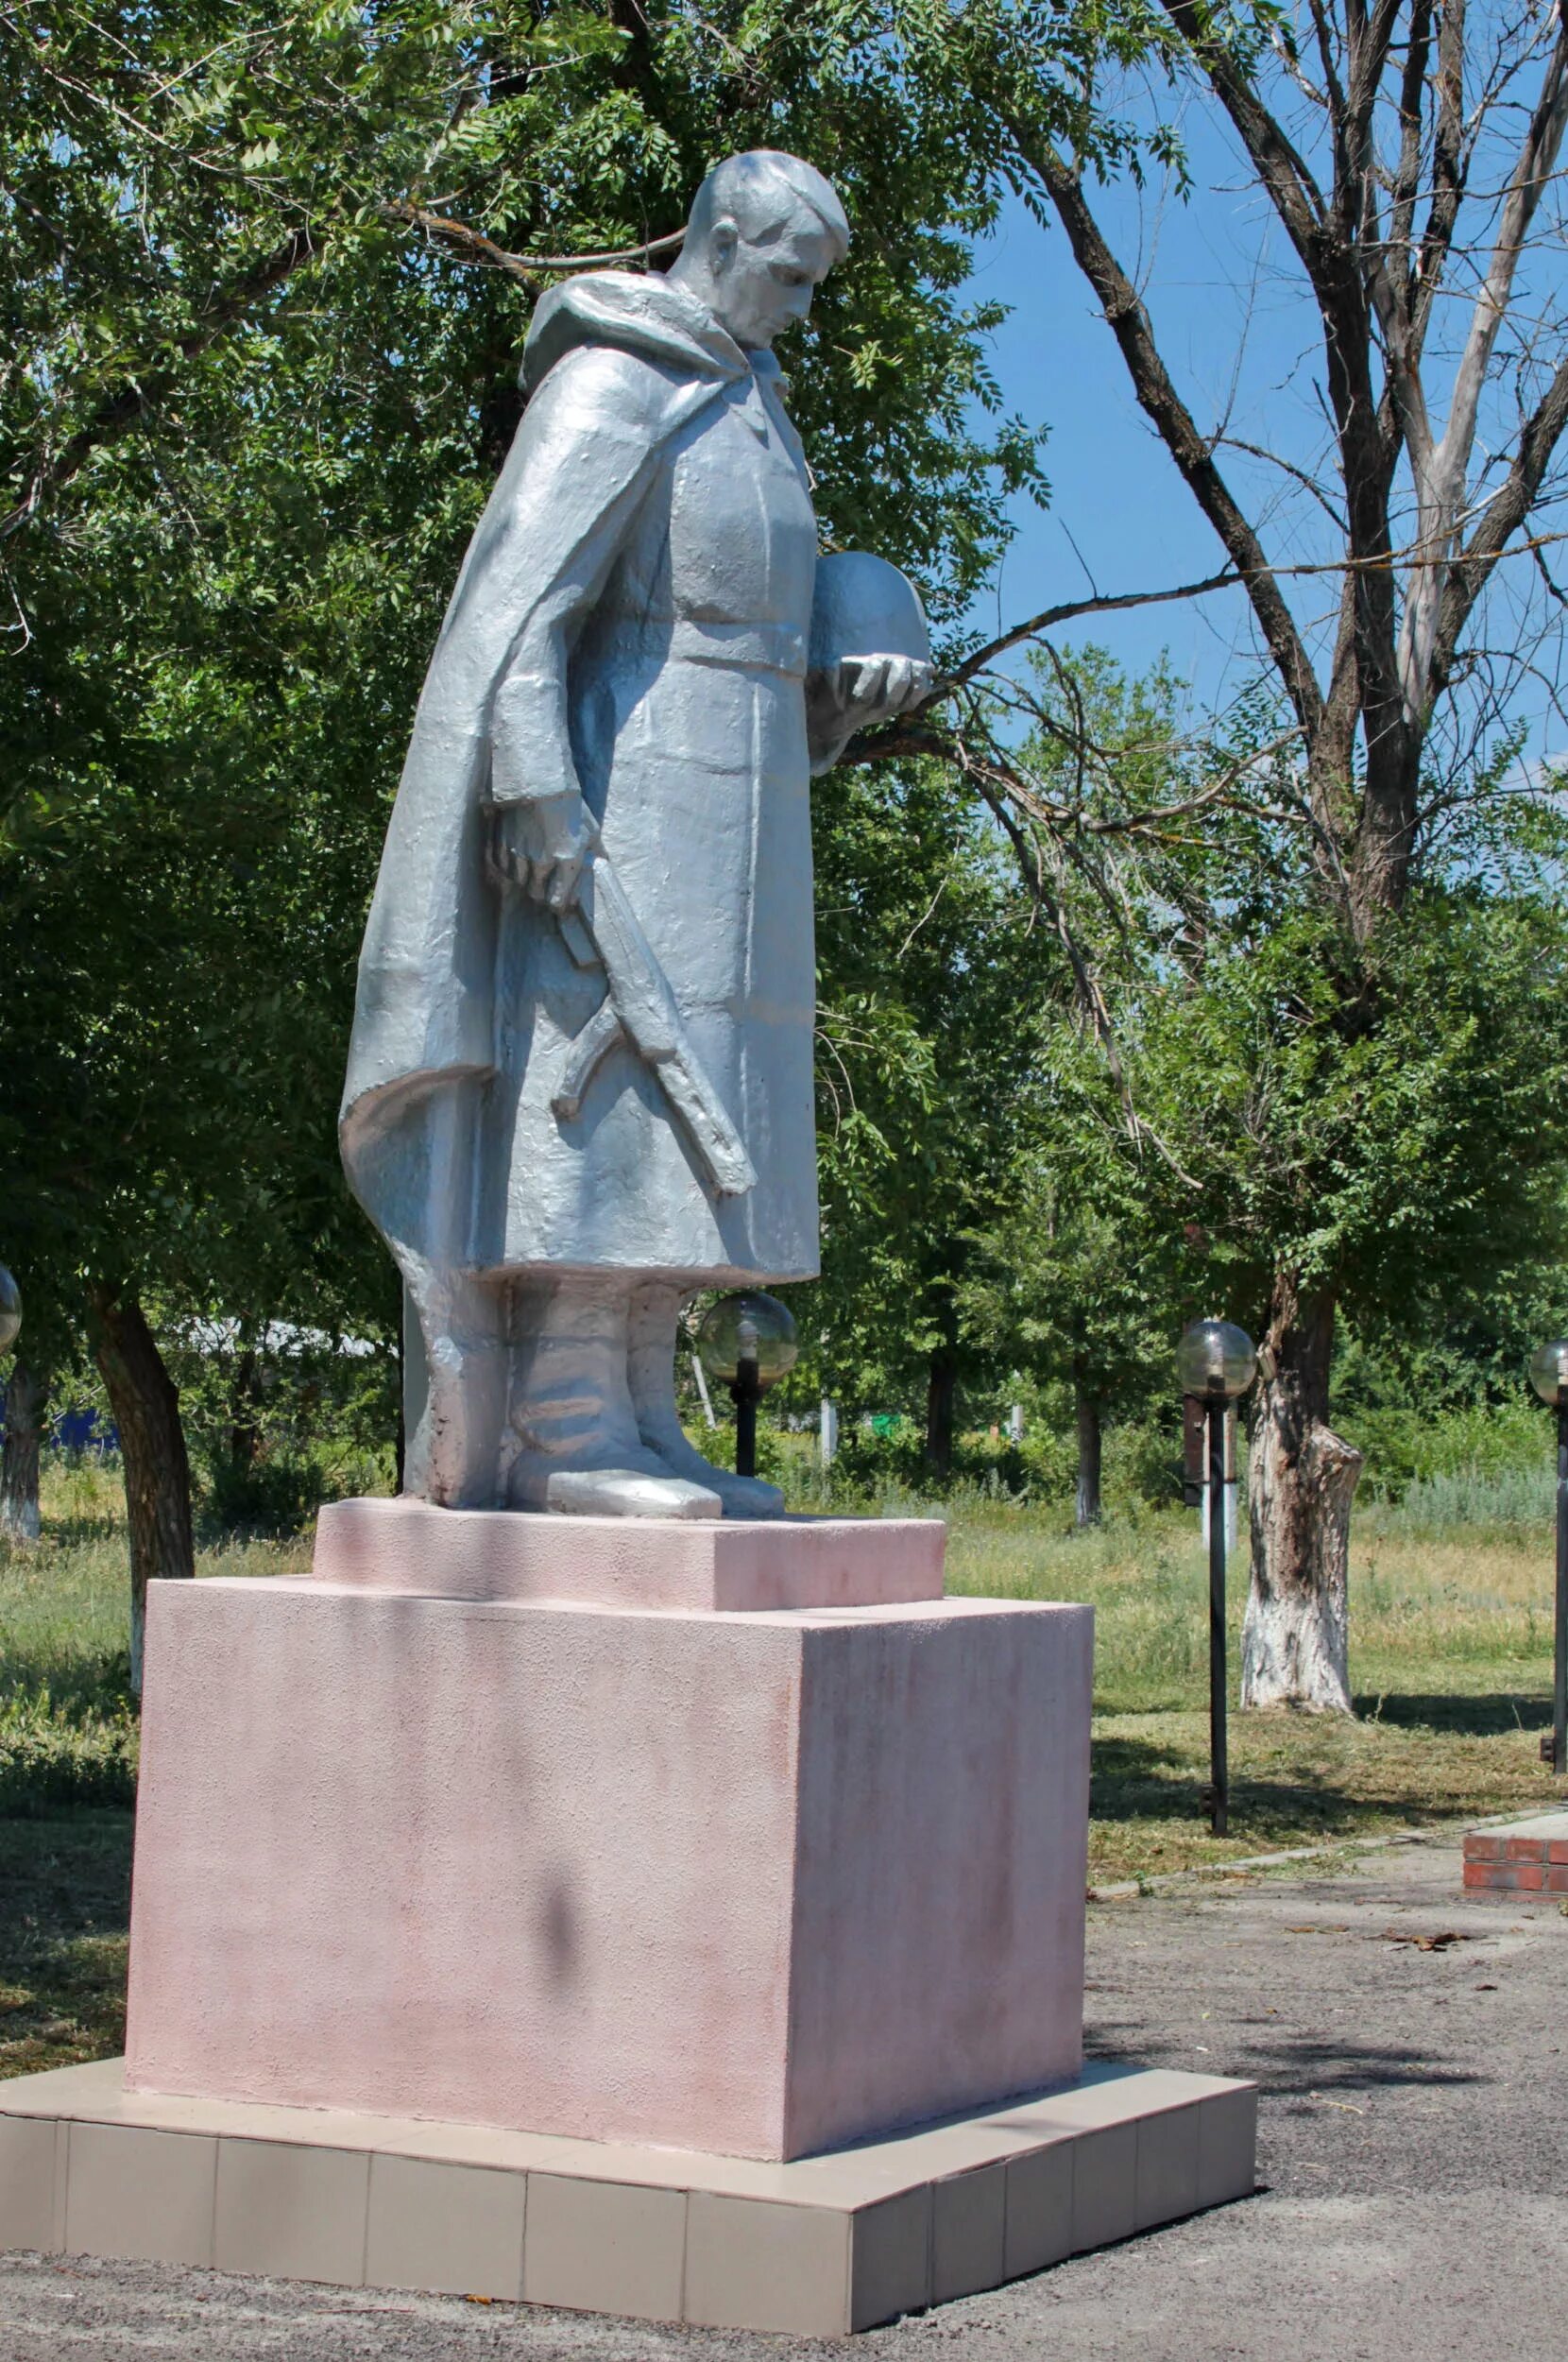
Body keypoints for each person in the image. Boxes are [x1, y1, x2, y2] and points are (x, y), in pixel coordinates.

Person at [341, 150, 930, 1516]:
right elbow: (526, 607)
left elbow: (762, 627)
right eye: (789, 276)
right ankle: (559, 1433)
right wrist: (535, 782)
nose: (800, 306)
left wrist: (835, 699)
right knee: (606, 1099)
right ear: (724, 239)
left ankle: (640, 1419)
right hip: (622, 783)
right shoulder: (616, 376)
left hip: (743, 807)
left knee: (705, 1108)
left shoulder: (752, 402)